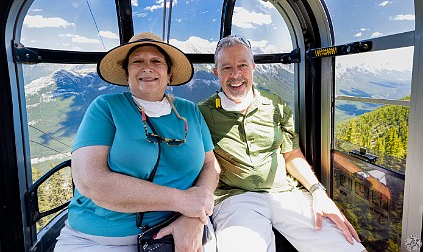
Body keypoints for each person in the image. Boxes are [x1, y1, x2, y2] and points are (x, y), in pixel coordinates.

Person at [198, 35, 367, 252]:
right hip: (236, 198)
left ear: (253, 67)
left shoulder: (274, 105)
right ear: (216, 72)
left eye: (242, 65)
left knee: (348, 246)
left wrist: (318, 192)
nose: (236, 75)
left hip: (285, 192)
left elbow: (291, 154)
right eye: (227, 68)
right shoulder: (202, 113)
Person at [54, 32, 220, 252]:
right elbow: (90, 180)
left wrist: (196, 216)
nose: (147, 67)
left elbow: (211, 165)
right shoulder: (105, 107)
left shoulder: (190, 111)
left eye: (156, 61)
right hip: (100, 239)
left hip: (181, 228)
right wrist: (182, 201)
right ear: (127, 72)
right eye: (137, 61)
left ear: (169, 73)